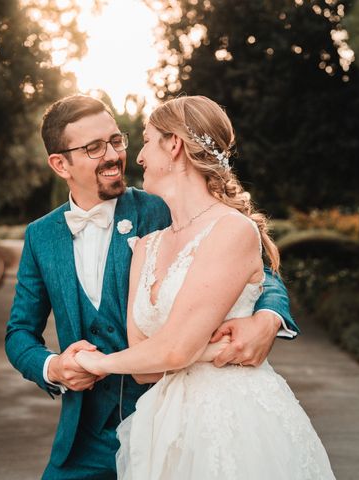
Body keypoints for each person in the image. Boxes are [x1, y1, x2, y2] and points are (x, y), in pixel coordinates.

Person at [4, 94, 299, 479]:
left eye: (116, 140)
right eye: (94, 148)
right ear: (61, 164)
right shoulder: (41, 236)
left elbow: (256, 266)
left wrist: (269, 316)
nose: (114, 155)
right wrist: (53, 367)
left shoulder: (162, 205)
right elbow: (19, 332)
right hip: (84, 438)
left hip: (167, 421)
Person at [75, 96, 335, 479]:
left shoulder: (231, 229)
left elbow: (175, 349)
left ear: (174, 145)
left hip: (234, 421)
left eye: (146, 140)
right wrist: (206, 347)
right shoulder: (147, 246)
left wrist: (97, 362)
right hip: (165, 423)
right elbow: (145, 364)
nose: (140, 156)